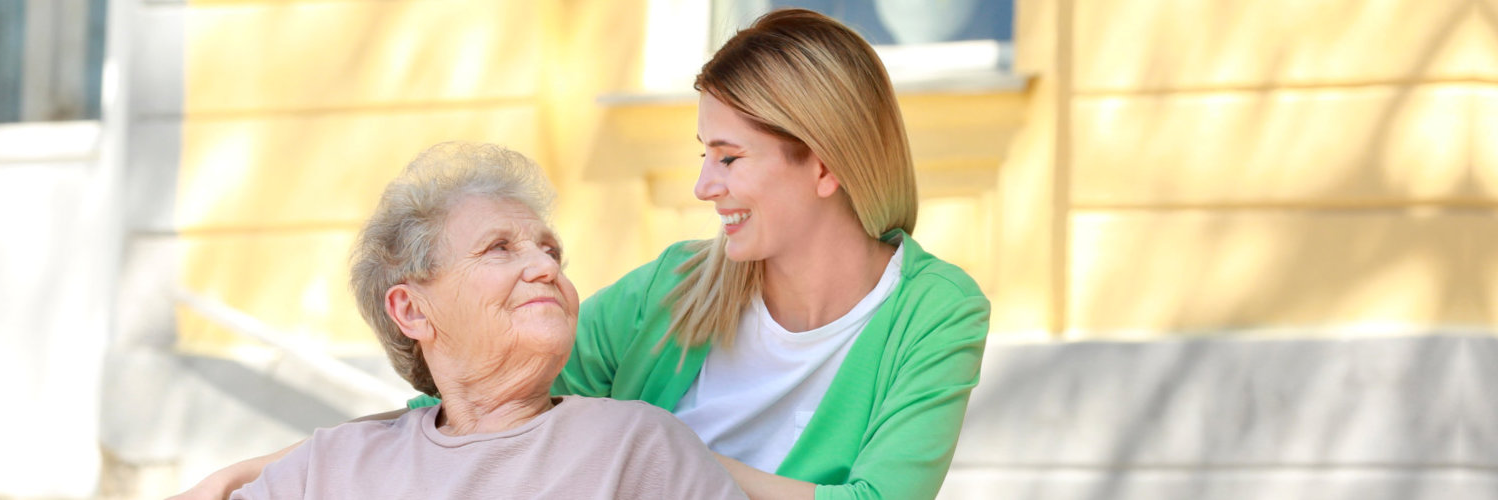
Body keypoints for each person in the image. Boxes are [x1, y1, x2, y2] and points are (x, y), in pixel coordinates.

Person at [180, 8, 988, 500]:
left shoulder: (933, 312)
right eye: (703, 152)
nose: (705, 185)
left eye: (730, 158)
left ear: (822, 162)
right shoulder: (679, 287)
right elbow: (472, 397)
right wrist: (258, 469)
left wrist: (658, 457)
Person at [223, 142, 744, 500]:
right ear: (411, 310)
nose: (545, 267)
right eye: (499, 248)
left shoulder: (638, 445)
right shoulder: (328, 468)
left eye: (551, 252)